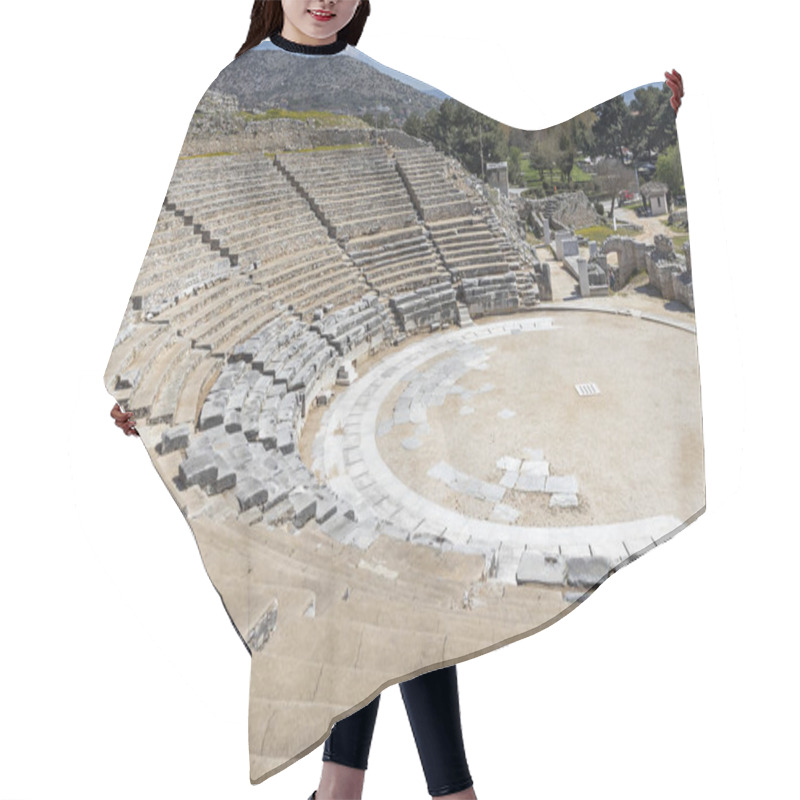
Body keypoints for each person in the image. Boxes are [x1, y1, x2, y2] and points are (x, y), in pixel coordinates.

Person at [111, 2, 478, 798]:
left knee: (396, 576)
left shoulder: (377, 88)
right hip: (295, 389)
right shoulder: (237, 90)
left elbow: (487, 150)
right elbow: (190, 232)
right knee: (382, 580)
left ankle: (343, 790)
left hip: (380, 360)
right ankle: (438, 792)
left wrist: (644, 111)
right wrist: (144, 371)